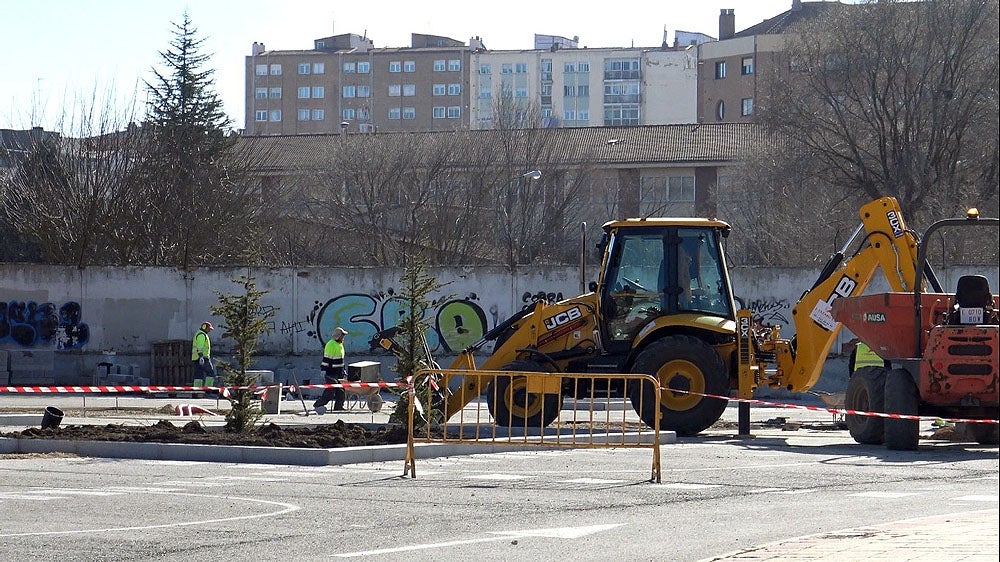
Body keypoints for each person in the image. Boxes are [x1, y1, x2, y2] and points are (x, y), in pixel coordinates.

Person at [313, 326, 348, 414]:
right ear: (338, 336)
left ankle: (338, 407)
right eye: (342, 335)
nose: (343, 337)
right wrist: (323, 369)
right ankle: (318, 404)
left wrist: (343, 370)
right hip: (330, 372)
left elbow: (340, 359)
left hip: (338, 373)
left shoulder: (339, 345)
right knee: (330, 390)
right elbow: (327, 358)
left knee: (341, 391)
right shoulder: (331, 344)